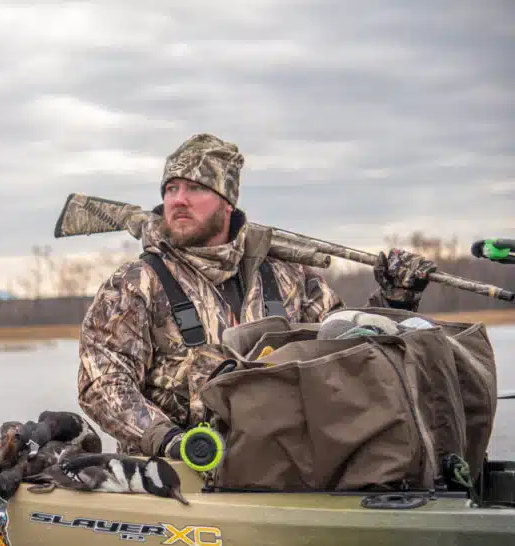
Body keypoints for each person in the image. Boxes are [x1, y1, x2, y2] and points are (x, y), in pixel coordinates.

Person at [76, 133, 437, 459]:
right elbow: (103, 382)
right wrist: (169, 440)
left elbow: (344, 355)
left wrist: (395, 302)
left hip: (282, 470)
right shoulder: (135, 283)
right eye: (171, 189)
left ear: (227, 203)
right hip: (177, 479)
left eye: (195, 188)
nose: (178, 200)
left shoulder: (288, 276)